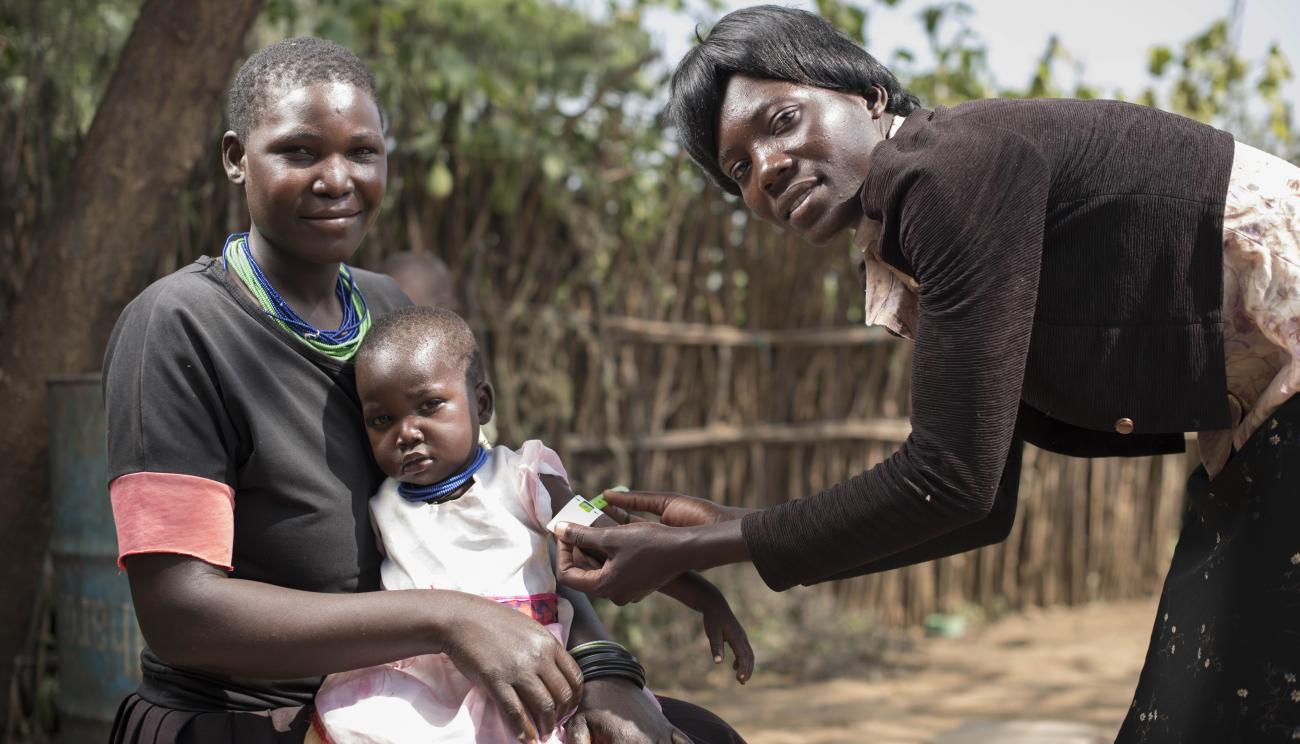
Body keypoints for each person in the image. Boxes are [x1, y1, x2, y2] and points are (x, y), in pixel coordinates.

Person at [554, 6, 1300, 742]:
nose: (768, 171)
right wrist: (734, 527)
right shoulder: (917, 219)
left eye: (781, 122)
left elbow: (950, 477)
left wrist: (703, 547)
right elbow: (982, 504)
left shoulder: (949, 172)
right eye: (740, 170)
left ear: (866, 96)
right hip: (1257, 425)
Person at [104, 36, 743, 743]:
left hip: (433, 695)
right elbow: (178, 613)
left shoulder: (393, 316)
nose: (336, 178)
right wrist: (448, 618)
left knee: (699, 734)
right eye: (299, 152)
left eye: (362, 152)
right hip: (252, 714)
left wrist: (601, 667)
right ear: (235, 158)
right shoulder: (178, 326)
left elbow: (507, 523)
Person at [310, 306, 752, 742]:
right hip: (425, 691)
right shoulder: (381, 504)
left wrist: (705, 597)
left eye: (429, 406)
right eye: (381, 420)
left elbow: (619, 547)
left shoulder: (522, 478)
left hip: (534, 670)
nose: (405, 433)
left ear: (481, 404)